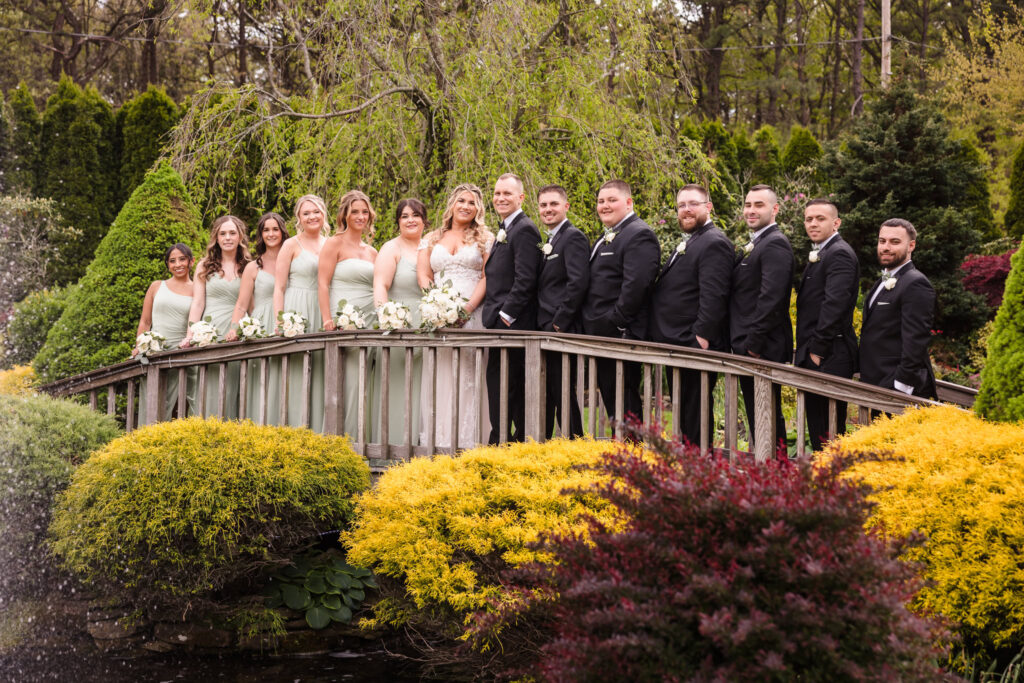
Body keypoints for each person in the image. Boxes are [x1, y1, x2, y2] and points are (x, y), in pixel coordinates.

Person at [647, 184, 732, 447]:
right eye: (681, 205)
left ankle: (698, 471)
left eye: (692, 204)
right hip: (679, 342)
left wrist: (702, 338)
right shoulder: (694, 240)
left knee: (695, 414)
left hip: (693, 345)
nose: (686, 210)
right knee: (685, 411)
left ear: (708, 207)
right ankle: (690, 468)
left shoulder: (714, 242)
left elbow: (715, 295)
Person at [417, 183, 492, 449]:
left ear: (478, 209)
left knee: (470, 375)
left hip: (472, 315)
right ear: (452, 204)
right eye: (461, 200)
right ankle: (439, 440)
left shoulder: (485, 239)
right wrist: (437, 303)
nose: (466, 206)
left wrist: (467, 309)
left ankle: (469, 441)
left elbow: (486, 276)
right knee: (442, 373)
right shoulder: (432, 238)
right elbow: (424, 275)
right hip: (439, 317)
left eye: (472, 203)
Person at [580, 179, 660, 426]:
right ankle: (623, 454)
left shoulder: (639, 234)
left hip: (621, 335)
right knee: (614, 401)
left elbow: (636, 285)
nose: (604, 206)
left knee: (625, 402)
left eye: (611, 200)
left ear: (628, 202)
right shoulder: (611, 235)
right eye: (601, 201)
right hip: (604, 335)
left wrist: (615, 323)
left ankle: (632, 457)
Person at [729, 184, 793, 451]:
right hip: (750, 347)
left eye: (759, 205)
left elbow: (772, 298)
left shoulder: (775, 243)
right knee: (759, 415)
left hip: (762, 349)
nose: (751, 210)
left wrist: (753, 346)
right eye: (747, 205)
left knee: (767, 414)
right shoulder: (758, 242)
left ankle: (774, 474)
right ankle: (767, 473)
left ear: (775, 209)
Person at [794, 199, 860, 450]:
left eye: (820, 219)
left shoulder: (839, 253)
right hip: (820, 354)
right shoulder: (823, 252)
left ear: (836, 223)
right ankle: (823, 483)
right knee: (819, 428)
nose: (813, 223)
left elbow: (835, 305)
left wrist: (816, 351)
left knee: (829, 431)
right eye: (809, 219)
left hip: (830, 354)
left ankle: (831, 483)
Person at [482, 173, 542, 443]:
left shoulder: (525, 229)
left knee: (508, 387)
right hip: (500, 323)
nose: (501, 198)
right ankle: (502, 440)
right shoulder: (507, 228)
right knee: (499, 386)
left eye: (507, 193)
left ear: (521, 197)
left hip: (512, 325)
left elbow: (526, 278)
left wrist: (506, 315)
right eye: (497, 193)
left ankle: (507, 443)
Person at [319, 190, 378, 440]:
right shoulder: (334, 243)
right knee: (345, 380)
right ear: (345, 214)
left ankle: (363, 437)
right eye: (355, 211)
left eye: (365, 212)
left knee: (366, 379)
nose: (360, 216)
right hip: (343, 317)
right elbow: (323, 283)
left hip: (370, 319)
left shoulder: (373, 252)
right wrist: (327, 318)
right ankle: (340, 439)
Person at [859, 218, 937, 401]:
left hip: (897, 389)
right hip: (875, 382)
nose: (886, 247)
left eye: (895, 242)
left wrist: (901, 386)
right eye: (882, 241)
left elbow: (916, 339)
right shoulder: (884, 280)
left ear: (911, 246)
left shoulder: (915, 283)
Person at [182, 216, 251, 418]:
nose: (227, 238)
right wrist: (190, 334)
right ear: (216, 238)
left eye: (232, 233)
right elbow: (197, 303)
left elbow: (251, 304)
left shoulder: (250, 265)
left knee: (237, 383)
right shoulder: (205, 265)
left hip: (237, 330)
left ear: (240, 237)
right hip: (211, 331)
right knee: (211, 383)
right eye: (223, 234)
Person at [535, 184, 589, 438]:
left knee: (563, 391)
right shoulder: (550, 239)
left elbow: (578, 283)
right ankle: (544, 445)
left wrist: (560, 322)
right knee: (549, 391)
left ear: (566, 206)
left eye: (554, 204)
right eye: (544, 205)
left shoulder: (573, 236)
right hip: (544, 328)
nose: (548, 209)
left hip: (559, 329)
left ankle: (575, 442)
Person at [372, 198, 427, 446]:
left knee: (425, 388)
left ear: (424, 220)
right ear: (398, 221)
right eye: (405, 216)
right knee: (399, 388)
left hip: (429, 326)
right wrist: (388, 321)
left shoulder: (431, 247)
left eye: (415, 215)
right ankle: (393, 444)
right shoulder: (391, 248)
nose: (410, 220)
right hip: (400, 326)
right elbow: (380, 286)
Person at [226, 212, 287, 423]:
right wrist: (234, 327)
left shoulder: (292, 260)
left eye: (275, 229)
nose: (271, 234)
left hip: (287, 321)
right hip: (262, 325)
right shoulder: (253, 267)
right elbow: (242, 304)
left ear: (282, 232)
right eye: (266, 230)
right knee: (263, 377)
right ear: (261, 235)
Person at [275, 195, 329, 427]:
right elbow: (279, 286)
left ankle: (319, 427)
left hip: (322, 308)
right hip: (297, 307)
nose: (312, 217)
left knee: (321, 369)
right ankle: (293, 425)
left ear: (324, 214)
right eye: (306, 213)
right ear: (298, 218)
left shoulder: (331, 243)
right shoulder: (290, 245)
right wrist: (280, 320)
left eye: (316, 211)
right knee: (297, 369)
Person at [135, 243, 197, 419]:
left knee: (184, 404)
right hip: (154, 352)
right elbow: (145, 321)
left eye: (182, 259)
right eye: (172, 261)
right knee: (153, 400)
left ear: (191, 261)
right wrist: (140, 345)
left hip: (181, 352)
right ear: (168, 265)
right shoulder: (156, 286)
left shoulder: (197, 290)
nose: (177, 264)